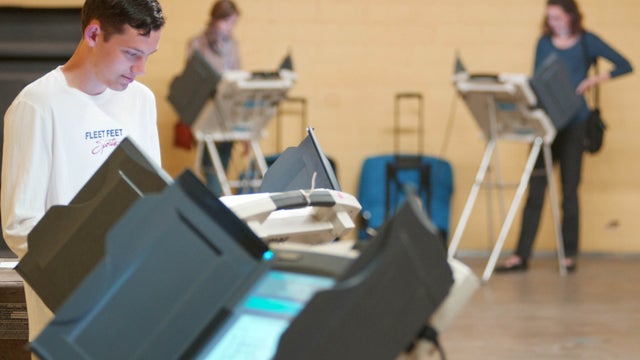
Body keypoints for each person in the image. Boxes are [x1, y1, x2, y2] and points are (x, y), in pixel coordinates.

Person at [1, 0, 165, 346]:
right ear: (94, 33)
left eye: (149, 55)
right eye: (132, 53)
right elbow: (20, 226)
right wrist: (89, 273)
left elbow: (153, 199)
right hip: (68, 308)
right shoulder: (36, 105)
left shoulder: (141, 100)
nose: (141, 69)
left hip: (131, 296)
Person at [496, 0, 632, 273]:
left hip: (575, 124)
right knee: (535, 189)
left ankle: (568, 255)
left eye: (558, 18)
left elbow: (625, 65)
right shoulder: (543, 43)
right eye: (550, 18)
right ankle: (521, 255)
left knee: (570, 190)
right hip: (547, 124)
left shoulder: (587, 42)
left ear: (571, 16)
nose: (554, 23)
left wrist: (593, 81)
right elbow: (538, 80)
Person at [187, 0, 242, 196]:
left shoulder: (233, 45)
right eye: (227, 22)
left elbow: (238, 77)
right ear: (216, 20)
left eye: (233, 23)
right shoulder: (197, 44)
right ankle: (221, 205)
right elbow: (191, 84)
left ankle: (219, 202)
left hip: (228, 113)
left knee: (223, 167)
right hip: (205, 113)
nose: (230, 28)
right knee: (210, 167)